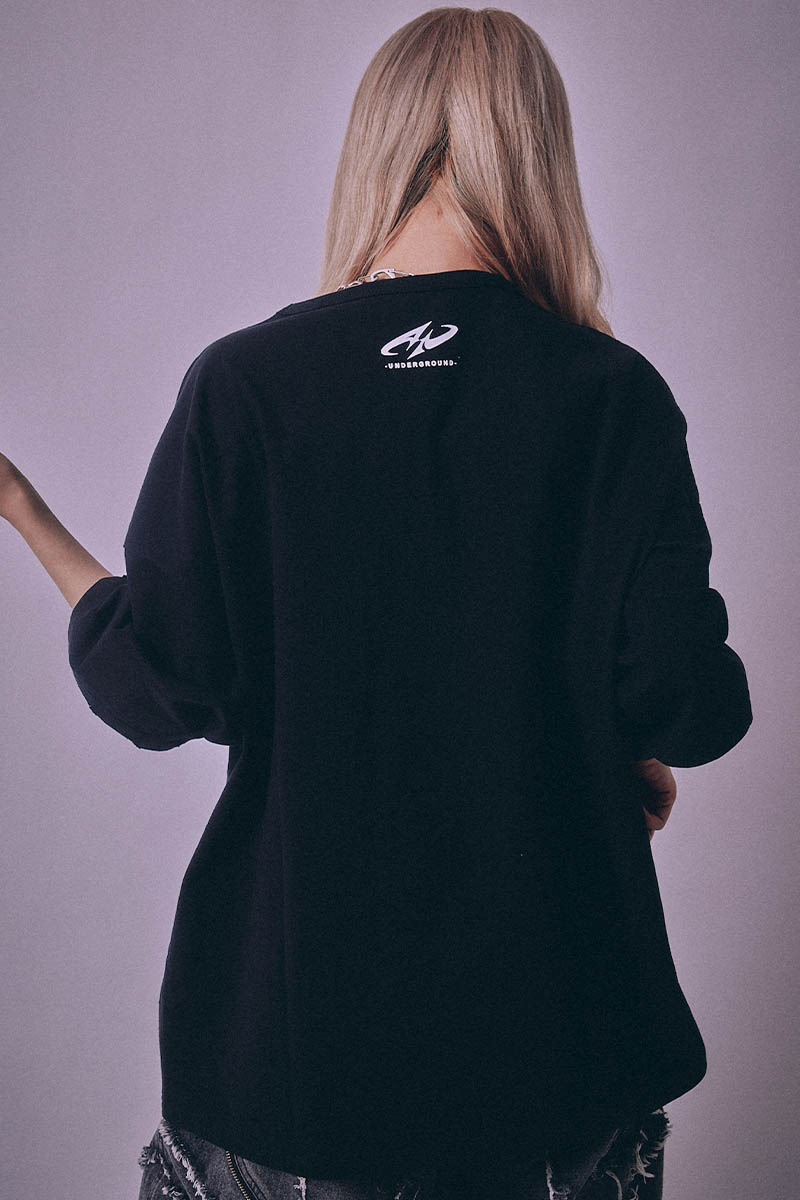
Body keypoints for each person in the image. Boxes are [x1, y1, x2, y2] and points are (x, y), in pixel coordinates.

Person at [1, 7, 753, 1199]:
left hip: (293, 1074)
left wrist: (25, 513)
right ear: (537, 154)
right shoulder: (610, 395)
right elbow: (685, 705)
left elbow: (157, 687)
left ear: (377, 147)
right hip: (552, 1072)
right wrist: (607, 749)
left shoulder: (248, 385)